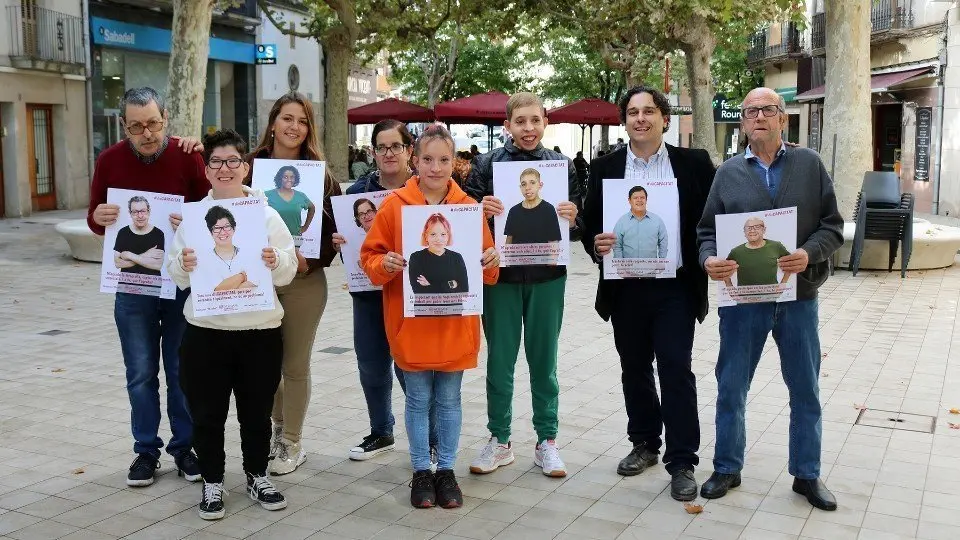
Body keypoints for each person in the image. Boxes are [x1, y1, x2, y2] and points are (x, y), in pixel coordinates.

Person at [697, 87, 844, 510]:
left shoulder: (809, 165)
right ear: (743, 122)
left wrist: (808, 253)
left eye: (767, 110)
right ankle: (727, 467)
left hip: (798, 297)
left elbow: (833, 226)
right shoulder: (727, 174)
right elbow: (707, 232)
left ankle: (807, 474)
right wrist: (710, 261)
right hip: (743, 302)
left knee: (805, 388)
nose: (758, 116)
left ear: (783, 119)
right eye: (750, 111)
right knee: (731, 386)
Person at [582, 85, 715, 501]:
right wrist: (596, 245)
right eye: (633, 112)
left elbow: (711, 219)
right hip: (625, 287)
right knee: (634, 366)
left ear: (664, 119)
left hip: (674, 285)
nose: (640, 119)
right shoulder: (605, 168)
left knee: (676, 367)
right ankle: (644, 443)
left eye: (649, 111)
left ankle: (682, 460)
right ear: (625, 120)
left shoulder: (693, 163)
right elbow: (590, 226)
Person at [360, 124, 500, 508]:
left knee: (450, 400)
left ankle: (447, 470)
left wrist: (491, 260)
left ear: (454, 162)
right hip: (412, 326)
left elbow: (488, 271)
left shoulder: (468, 211)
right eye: (427, 159)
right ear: (414, 160)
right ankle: (422, 470)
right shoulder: (393, 207)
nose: (435, 167)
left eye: (443, 159)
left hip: (455, 326)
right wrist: (385, 262)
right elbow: (369, 259)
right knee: (418, 399)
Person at [170, 129, 296, 520]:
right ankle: (212, 481)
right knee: (207, 414)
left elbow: (288, 271)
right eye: (216, 162)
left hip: (259, 332)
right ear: (206, 170)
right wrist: (184, 265)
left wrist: (276, 260)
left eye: (232, 161)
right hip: (207, 333)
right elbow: (176, 275)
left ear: (246, 166)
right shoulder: (193, 218)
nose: (225, 169)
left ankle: (257, 474)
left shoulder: (267, 215)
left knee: (256, 413)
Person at [87, 86, 206, 487]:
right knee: (139, 373)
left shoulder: (189, 157)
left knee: (181, 371)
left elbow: (211, 213)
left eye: (153, 123)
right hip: (133, 289)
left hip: (179, 285)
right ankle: (146, 451)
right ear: (125, 127)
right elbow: (95, 217)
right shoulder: (108, 161)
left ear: (166, 118)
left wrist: (187, 221)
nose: (147, 132)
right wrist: (99, 217)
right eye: (137, 126)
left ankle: (185, 448)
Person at [465, 92, 582, 478]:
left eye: (535, 120)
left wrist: (574, 215)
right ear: (507, 126)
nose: (528, 129)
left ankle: (546, 440)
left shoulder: (562, 166)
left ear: (545, 122)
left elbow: (579, 227)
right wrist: (480, 211)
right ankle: (500, 440)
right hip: (500, 278)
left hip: (549, 278)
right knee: (500, 361)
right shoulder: (485, 165)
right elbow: (464, 220)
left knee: (544, 361)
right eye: (520, 122)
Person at [245, 92, 342, 475]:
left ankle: (292, 443)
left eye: (302, 121)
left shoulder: (319, 175)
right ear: (273, 122)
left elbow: (333, 230)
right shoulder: (249, 168)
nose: (294, 127)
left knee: (295, 364)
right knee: (264, 366)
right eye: (287, 118)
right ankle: (278, 428)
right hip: (257, 281)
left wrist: (310, 259)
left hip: (303, 281)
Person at [334, 119, 440, 462]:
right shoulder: (357, 195)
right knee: (370, 364)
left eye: (396, 146)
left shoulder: (425, 191)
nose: (388, 153)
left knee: (413, 369)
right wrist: (342, 244)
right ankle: (381, 431)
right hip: (368, 293)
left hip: (413, 296)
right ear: (373, 152)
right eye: (381, 147)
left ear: (409, 151)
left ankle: (431, 439)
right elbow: (357, 249)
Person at [408, 213, 469, 296]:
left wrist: (430, 285)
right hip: (425, 308)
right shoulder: (416, 257)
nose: (438, 239)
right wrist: (452, 283)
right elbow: (418, 291)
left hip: (453, 308)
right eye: (433, 234)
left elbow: (464, 289)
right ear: (426, 236)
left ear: (448, 236)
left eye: (443, 234)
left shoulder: (456, 257)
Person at [114, 196, 165, 293]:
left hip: (151, 287)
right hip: (126, 287)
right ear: (130, 213)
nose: (140, 216)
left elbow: (158, 264)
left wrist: (129, 255)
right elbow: (117, 263)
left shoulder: (158, 233)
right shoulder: (123, 232)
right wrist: (147, 255)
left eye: (143, 211)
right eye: (135, 212)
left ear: (149, 211)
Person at [724, 217, 791, 292]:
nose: (752, 230)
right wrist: (731, 291)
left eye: (757, 227)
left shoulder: (776, 246)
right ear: (744, 232)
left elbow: (791, 264)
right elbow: (724, 272)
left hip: (772, 297)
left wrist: (783, 284)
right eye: (748, 228)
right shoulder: (736, 252)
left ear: (764, 230)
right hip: (745, 299)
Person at [503, 168, 562, 248]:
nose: (527, 187)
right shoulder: (513, 211)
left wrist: (552, 260)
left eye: (532, 183)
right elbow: (509, 240)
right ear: (520, 187)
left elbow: (553, 242)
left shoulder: (548, 209)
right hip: (517, 260)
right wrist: (506, 259)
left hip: (542, 260)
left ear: (540, 185)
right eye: (524, 184)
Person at [204, 206, 258, 291]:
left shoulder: (247, 254)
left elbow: (255, 284)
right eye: (217, 228)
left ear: (234, 228)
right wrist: (242, 276)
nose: (222, 232)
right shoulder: (205, 259)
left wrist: (226, 286)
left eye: (227, 226)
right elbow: (215, 291)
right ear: (211, 232)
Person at [612, 186, 668, 259]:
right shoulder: (621, 222)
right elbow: (617, 246)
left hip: (652, 269)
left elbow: (663, 243)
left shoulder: (657, 221)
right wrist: (621, 266)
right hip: (628, 269)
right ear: (629, 200)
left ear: (646, 200)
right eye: (635, 198)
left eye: (642, 197)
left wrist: (661, 262)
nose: (639, 200)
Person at [265, 165, 316, 239]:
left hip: (295, 238)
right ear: (280, 178)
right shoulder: (268, 195)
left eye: (292, 177)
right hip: (273, 238)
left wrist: (305, 227)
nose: (289, 180)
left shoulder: (301, 196)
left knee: (296, 251)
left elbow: (312, 208)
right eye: (285, 177)